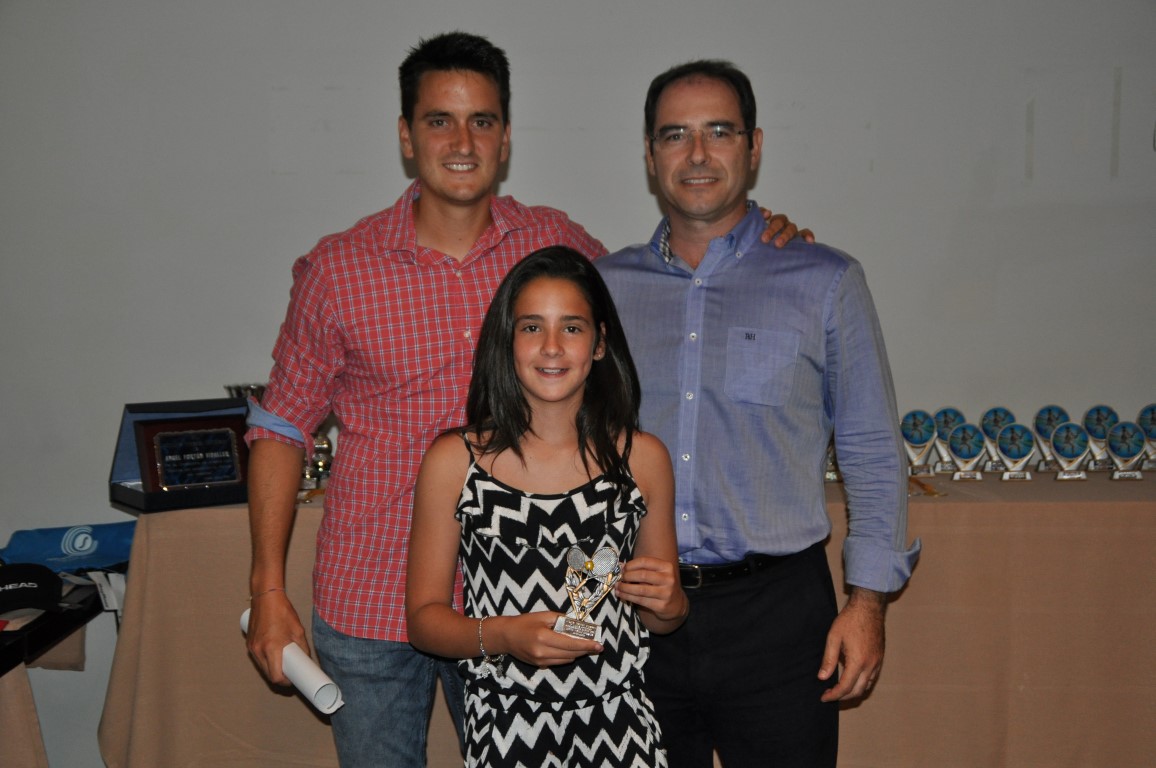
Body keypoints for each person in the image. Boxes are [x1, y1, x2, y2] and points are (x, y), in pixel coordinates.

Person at [243, 33, 800, 767]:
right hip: (373, 593)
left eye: (482, 121)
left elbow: (660, 286)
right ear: (407, 136)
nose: (462, 141)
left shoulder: (553, 241)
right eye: (439, 121)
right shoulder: (340, 269)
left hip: (529, 598)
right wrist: (267, 587)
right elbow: (280, 424)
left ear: (505, 139)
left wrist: (752, 237)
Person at [595, 60, 922, 767]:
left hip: (780, 616)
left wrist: (867, 604)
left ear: (754, 147)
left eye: (720, 131)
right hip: (634, 608)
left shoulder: (824, 280)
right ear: (650, 155)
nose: (698, 154)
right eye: (675, 135)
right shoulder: (603, 289)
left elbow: (870, 448)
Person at [407, 246, 687, 767]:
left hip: (620, 728)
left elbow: (659, 616)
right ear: (507, 342)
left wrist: (673, 606)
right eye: (532, 327)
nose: (552, 346)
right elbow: (423, 622)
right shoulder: (454, 461)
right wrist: (505, 635)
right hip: (506, 730)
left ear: (600, 344)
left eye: (572, 328)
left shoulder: (643, 458)